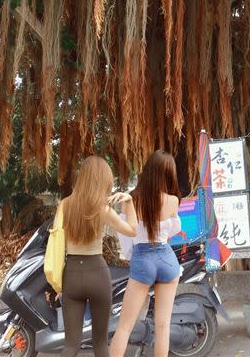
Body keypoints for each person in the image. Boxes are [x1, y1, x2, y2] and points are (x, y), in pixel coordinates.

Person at [59, 155, 138, 357]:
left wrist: (57, 284)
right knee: (101, 344)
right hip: (98, 275)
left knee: (71, 346)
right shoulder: (103, 209)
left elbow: (56, 244)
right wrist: (129, 203)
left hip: (71, 275)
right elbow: (132, 231)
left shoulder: (65, 205)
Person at [110, 150, 182, 357]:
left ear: (148, 171)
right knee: (163, 326)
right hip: (167, 259)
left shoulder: (131, 199)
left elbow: (125, 232)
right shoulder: (172, 201)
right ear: (168, 174)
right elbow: (173, 230)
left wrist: (131, 256)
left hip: (142, 258)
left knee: (124, 327)